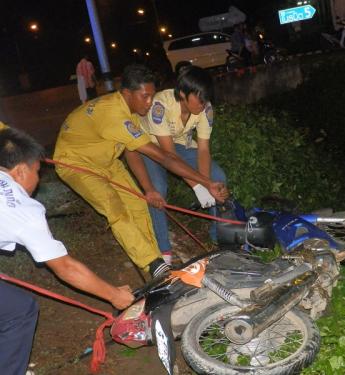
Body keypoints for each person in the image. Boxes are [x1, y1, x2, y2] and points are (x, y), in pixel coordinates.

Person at [53, 64, 228, 278]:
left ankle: (156, 260)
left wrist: (148, 188)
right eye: (145, 96)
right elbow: (165, 157)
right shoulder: (114, 115)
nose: (150, 102)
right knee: (115, 208)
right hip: (76, 163)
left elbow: (131, 151)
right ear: (127, 93)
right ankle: (153, 264)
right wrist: (206, 183)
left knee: (139, 204)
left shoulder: (132, 112)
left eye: (151, 96)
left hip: (107, 159)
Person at [0, 127, 135, 375]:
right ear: (20, 170)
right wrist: (115, 295)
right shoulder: (21, 208)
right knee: (19, 311)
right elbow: (66, 268)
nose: (38, 180)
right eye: (37, 171)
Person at [139, 64, 226, 262]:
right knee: (157, 189)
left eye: (206, 98)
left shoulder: (206, 109)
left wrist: (207, 183)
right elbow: (169, 157)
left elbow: (203, 149)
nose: (203, 104)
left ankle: (217, 234)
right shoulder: (160, 105)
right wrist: (197, 186)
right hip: (151, 145)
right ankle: (164, 251)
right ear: (182, 94)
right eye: (198, 98)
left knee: (218, 178)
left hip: (180, 144)